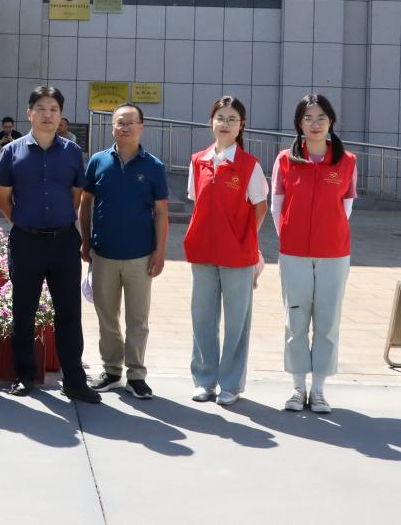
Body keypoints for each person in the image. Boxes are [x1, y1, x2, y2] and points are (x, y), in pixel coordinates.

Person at [0, 86, 100, 403]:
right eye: (41, 108)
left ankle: (74, 381)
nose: (47, 115)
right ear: (29, 113)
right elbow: (3, 198)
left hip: (63, 242)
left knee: (69, 313)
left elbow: (76, 197)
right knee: (23, 312)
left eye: (54, 109)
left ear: (60, 115)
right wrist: (24, 222)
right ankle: (24, 375)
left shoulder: (71, 152)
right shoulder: (11, 152)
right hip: (26, 242)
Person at [272, 93, 357, 414]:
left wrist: (326, 234)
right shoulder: (285, 159)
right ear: (299, 124)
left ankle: (319, 389)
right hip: (293, 252)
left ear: (331, 121)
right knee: (295, 319)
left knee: (327, 320)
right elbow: (277, 207)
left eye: (321, 117)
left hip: (334, 253)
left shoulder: (346, 161)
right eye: (308, 118)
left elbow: (346, 208)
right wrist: (290, 237)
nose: (315, 124)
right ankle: (298, 388)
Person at [80, 103, 169, 399]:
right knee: (107, 316)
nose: (125, 127)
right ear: (112, 127)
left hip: (140, 256)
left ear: (142, 127)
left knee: (138, 320)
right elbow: (85, 203)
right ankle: (111, 370)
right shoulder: (98, 161)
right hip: (103, 253)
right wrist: (85, 241)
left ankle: (136, 375)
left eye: (131, 122)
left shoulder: (153, 166)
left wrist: (159, 252)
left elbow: (161, 212)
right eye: (120, 122)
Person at [184, 96, 268, 406]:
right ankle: (204, 380)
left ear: (241, 125)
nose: (225, 124)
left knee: (237, 323)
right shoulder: (198, 161)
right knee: (202, 319)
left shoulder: (249, 165)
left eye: (232, 119)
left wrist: (243, 238)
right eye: (220, 117)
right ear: (211, 121)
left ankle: (231, 384)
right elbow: (197, 201)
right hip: (203, 251)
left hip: (237, 256)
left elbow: (260, 206)